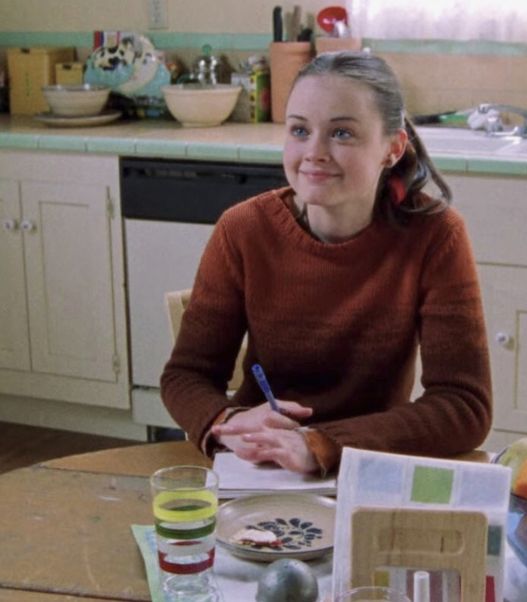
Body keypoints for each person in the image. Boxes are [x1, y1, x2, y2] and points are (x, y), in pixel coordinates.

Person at [160, 51, 492, 475]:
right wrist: (227, 420)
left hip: (370, 466)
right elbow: (185, 377)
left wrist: (324, 444)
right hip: (257, 468)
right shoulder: (242, 229)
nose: (314, 152)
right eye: (300, 130)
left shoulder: (436, 235)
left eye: (342, 133)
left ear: (392, 148)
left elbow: (465, 405)